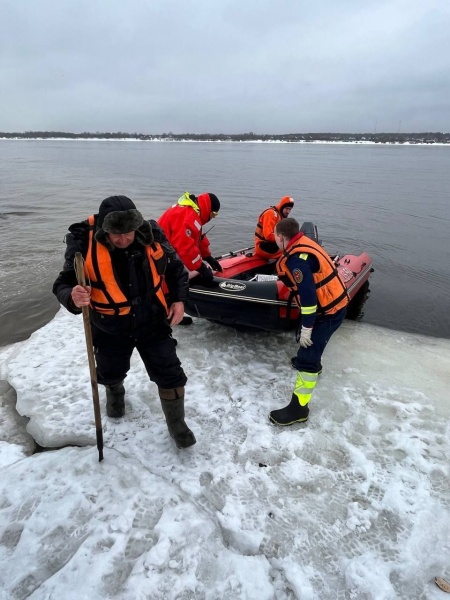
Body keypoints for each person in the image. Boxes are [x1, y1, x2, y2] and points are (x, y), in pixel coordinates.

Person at [52, 195, 196, 449]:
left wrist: (179, 300)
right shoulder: (83, 246)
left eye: (128, 233)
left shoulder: (151, 236)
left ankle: (177, 425)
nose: (123, 240)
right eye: (115, 235)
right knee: (109, 371)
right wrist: (73, 296)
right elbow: (62, 283)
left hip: (152, 320)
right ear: (104, 231)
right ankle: (115, 393)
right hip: (110, 326)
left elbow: (176, 271)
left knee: (170, 372)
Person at [269, 218, 349, 426]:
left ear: (281, 237)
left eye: (275, 238)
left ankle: (299, 409)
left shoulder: (297, 260)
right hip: (336, 304)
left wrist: (307, 327)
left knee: (307, 357)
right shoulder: (303, 242)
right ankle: (316, 363)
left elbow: (309, 297)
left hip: (329, 311)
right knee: (311, 350)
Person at [158, 191, 222, 284]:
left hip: (165, 250)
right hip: (162, 255)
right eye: (214, 214)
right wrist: (201, 268)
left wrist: (207, 256)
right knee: (173, 285)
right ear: (208, 209)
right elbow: (184, 247)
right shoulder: (188, 216)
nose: (212, 217)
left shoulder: (192, 211)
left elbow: (196, 236)